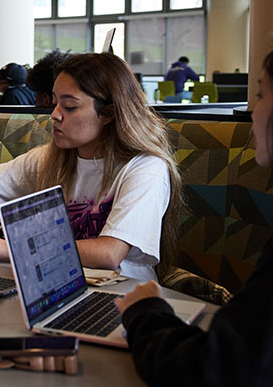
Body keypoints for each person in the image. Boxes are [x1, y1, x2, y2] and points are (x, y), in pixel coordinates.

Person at [0, 53, 180, 280]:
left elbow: (109, 253)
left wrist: (3, 248)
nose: (55, 114)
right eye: (54, 102)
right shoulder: (51, 158)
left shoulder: (145, 168)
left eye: (69, 106)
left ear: (109, 114)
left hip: (123, 296)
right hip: (54, 283)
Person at [115, 51, 273, 386]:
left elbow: (213, 370)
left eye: (260, 96)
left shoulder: (146, 166)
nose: (255, 112)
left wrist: (146, 313)